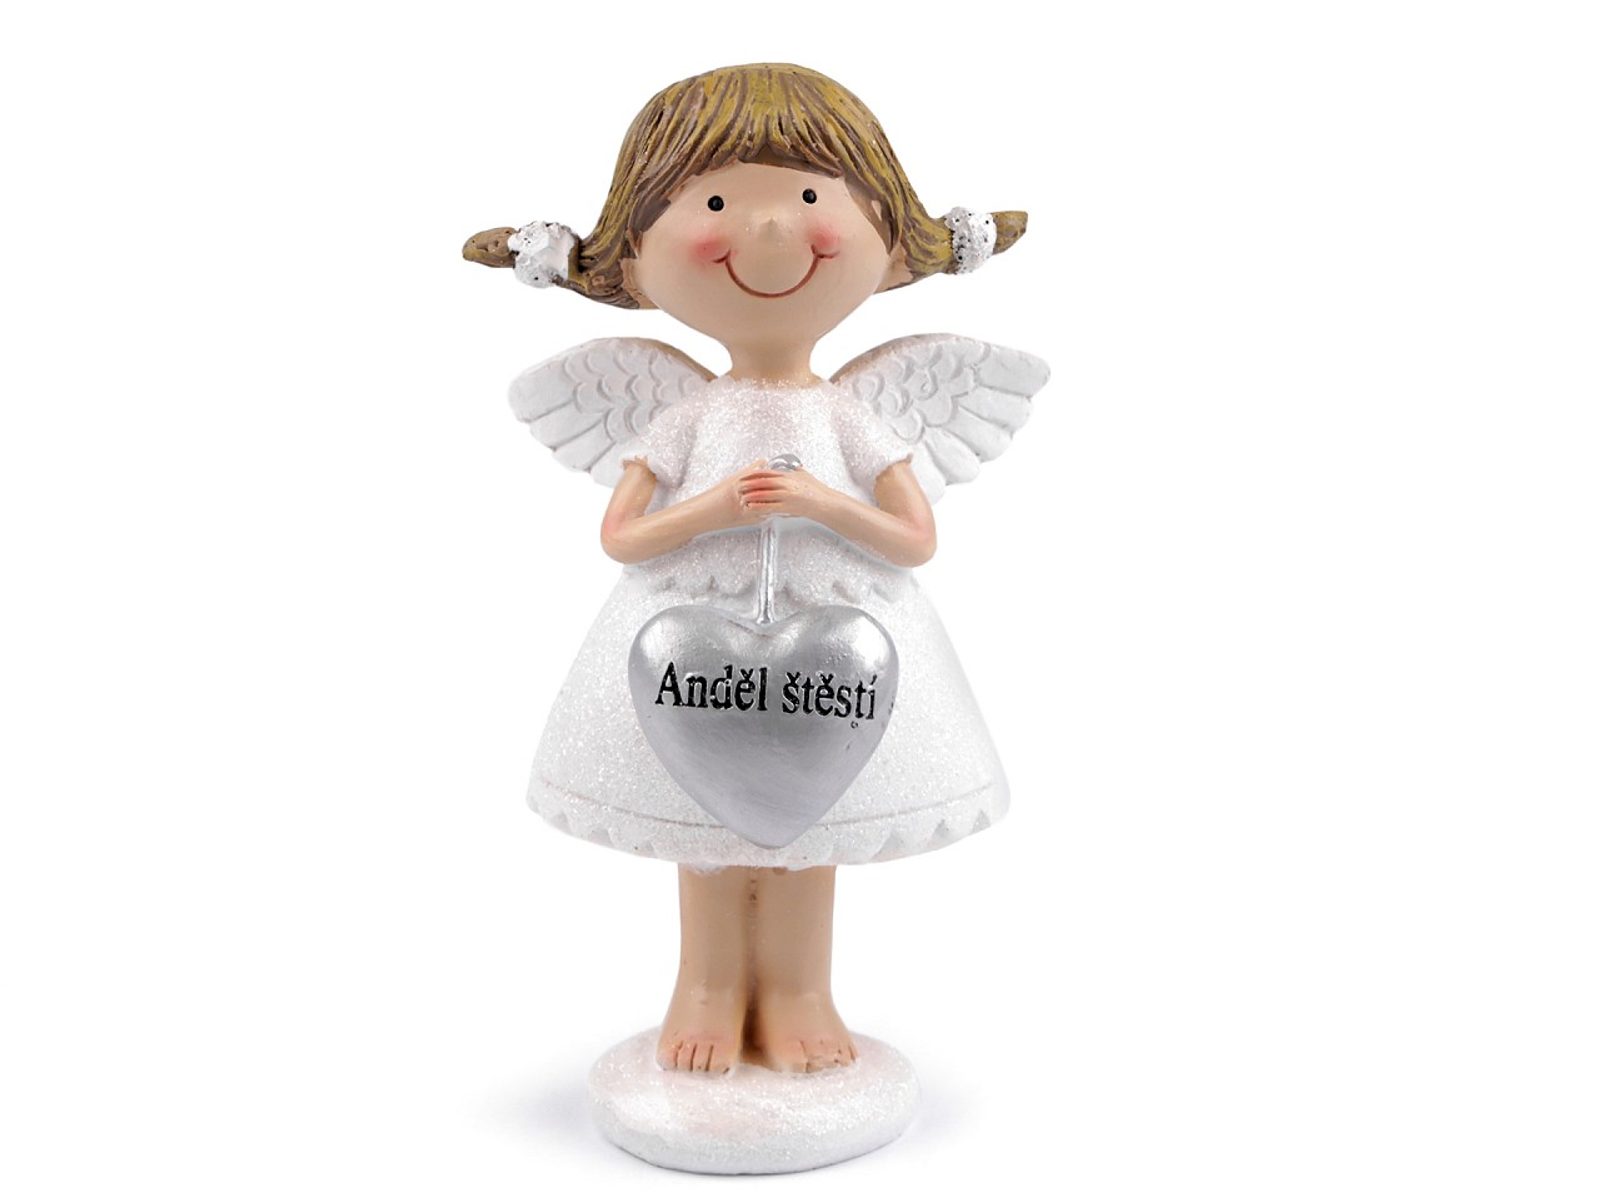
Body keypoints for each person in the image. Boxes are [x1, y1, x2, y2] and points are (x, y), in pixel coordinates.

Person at [464, 62, 1048, 1075]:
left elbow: (914, 538)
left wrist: (824, 503)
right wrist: (709, 511)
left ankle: (797, 990)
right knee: (704, 827)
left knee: (809, 830)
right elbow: (622, 535)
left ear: (889, 237)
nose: (772, 229)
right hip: (687, 641)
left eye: (814, 196)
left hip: (838, 641)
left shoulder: (846, 418)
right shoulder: (690, 417)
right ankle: (705, 985)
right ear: (635, 256)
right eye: (716, 203)